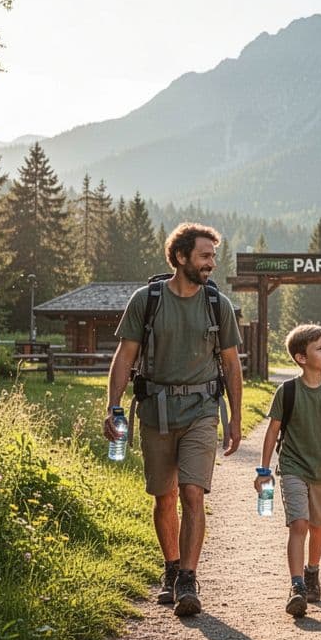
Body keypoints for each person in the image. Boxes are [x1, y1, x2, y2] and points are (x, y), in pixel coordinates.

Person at [104, 222, 244, 617]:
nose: (211, 264)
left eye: (213, 256)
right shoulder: (146, 300)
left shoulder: (218, 305)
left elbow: (232, 366)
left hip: (201, 410)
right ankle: (170, 568)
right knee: (163, 495)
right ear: (181, 257)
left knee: (192, 492)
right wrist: (114, 407)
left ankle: (187, 577)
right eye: (204, 256)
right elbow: (124, 357)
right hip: (155, 411)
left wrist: (233, 418)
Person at [256, 324, 321, 618]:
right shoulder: (287, 391)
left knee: (318, 526)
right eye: (320, 348)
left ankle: (312, 570)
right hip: (292, 467)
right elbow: (272, 432)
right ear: (301, 358)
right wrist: (264, 470)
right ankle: (297, 585)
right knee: (298, 524)